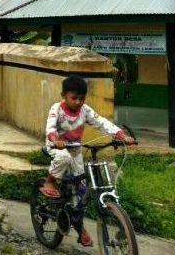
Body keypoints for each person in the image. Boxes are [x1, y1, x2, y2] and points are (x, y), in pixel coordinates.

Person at [40, 74, 135, 247]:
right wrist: (55, 139)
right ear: (64, 95)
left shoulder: (85, 110)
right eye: (73, 98)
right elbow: (50, 127)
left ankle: (79, 228)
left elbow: (101, 122)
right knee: (63, 156)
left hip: (76, 151)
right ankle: (50, 181)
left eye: (81, 99)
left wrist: (121, 135)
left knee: (80, 193)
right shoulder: (57, 109)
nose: (78, 102)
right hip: (56, 147)